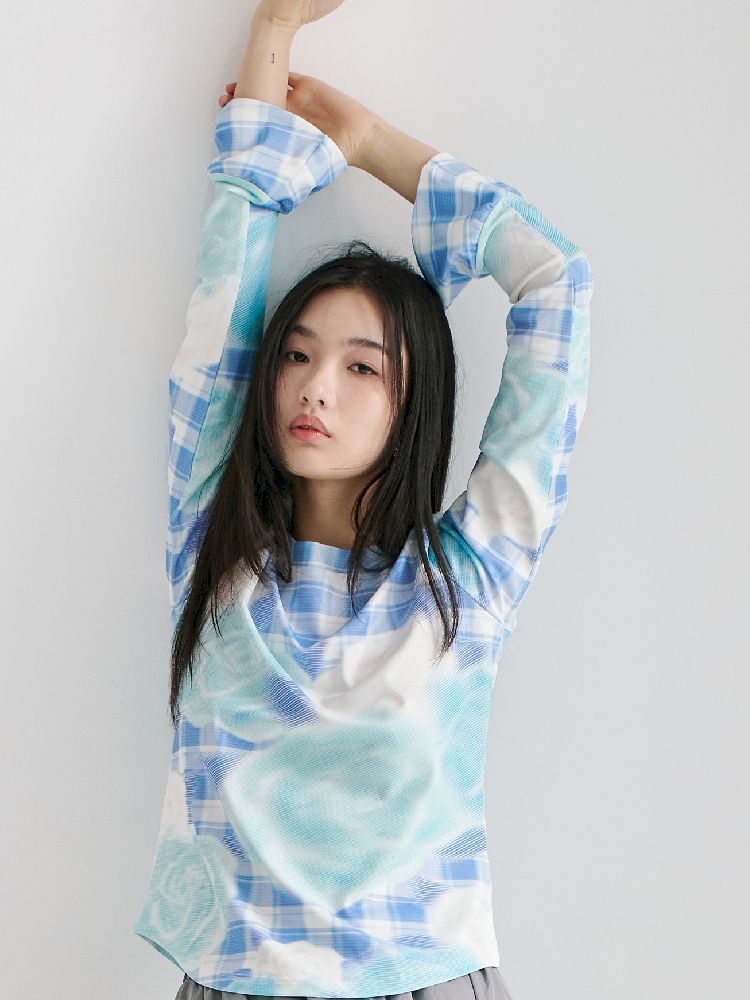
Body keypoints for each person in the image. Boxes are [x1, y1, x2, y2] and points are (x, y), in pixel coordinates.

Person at [132, 2, 594, 998]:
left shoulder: (470, 574)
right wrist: (272, 31)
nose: (315, 389)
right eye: (296, 357)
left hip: (425, 978)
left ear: (413, 403)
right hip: (237, 980)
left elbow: (556, 281)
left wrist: (373, 143)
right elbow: (227, 272)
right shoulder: (216, 547)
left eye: (361, 367)